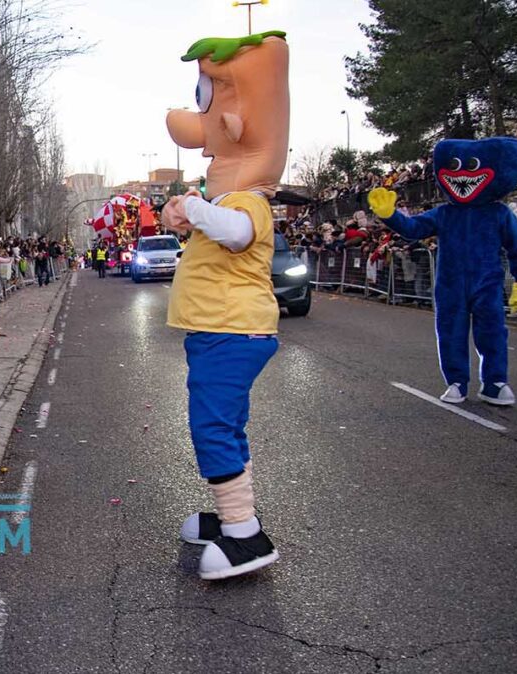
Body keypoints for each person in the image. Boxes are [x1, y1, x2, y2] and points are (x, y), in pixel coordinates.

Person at [163, 31, 288, 579]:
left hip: (233, 331)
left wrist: (193, 208)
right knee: (225, 425)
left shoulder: (248, 200)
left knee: (212, 427)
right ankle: (233, 515)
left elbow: (236, 233)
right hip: (219, 331)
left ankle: (245, 536)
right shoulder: (228, 198)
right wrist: (187, 214)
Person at [369, 137, 517, 405]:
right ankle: (456, 382)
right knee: (450, 333)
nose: (463, 174)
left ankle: (494, 382)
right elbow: (414, 229)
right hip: (450, 284)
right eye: (455, 166)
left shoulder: (499, 214)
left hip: (487, 284)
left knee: (492, 332)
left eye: (471, 166)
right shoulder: (444, 213)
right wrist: (391, 216)